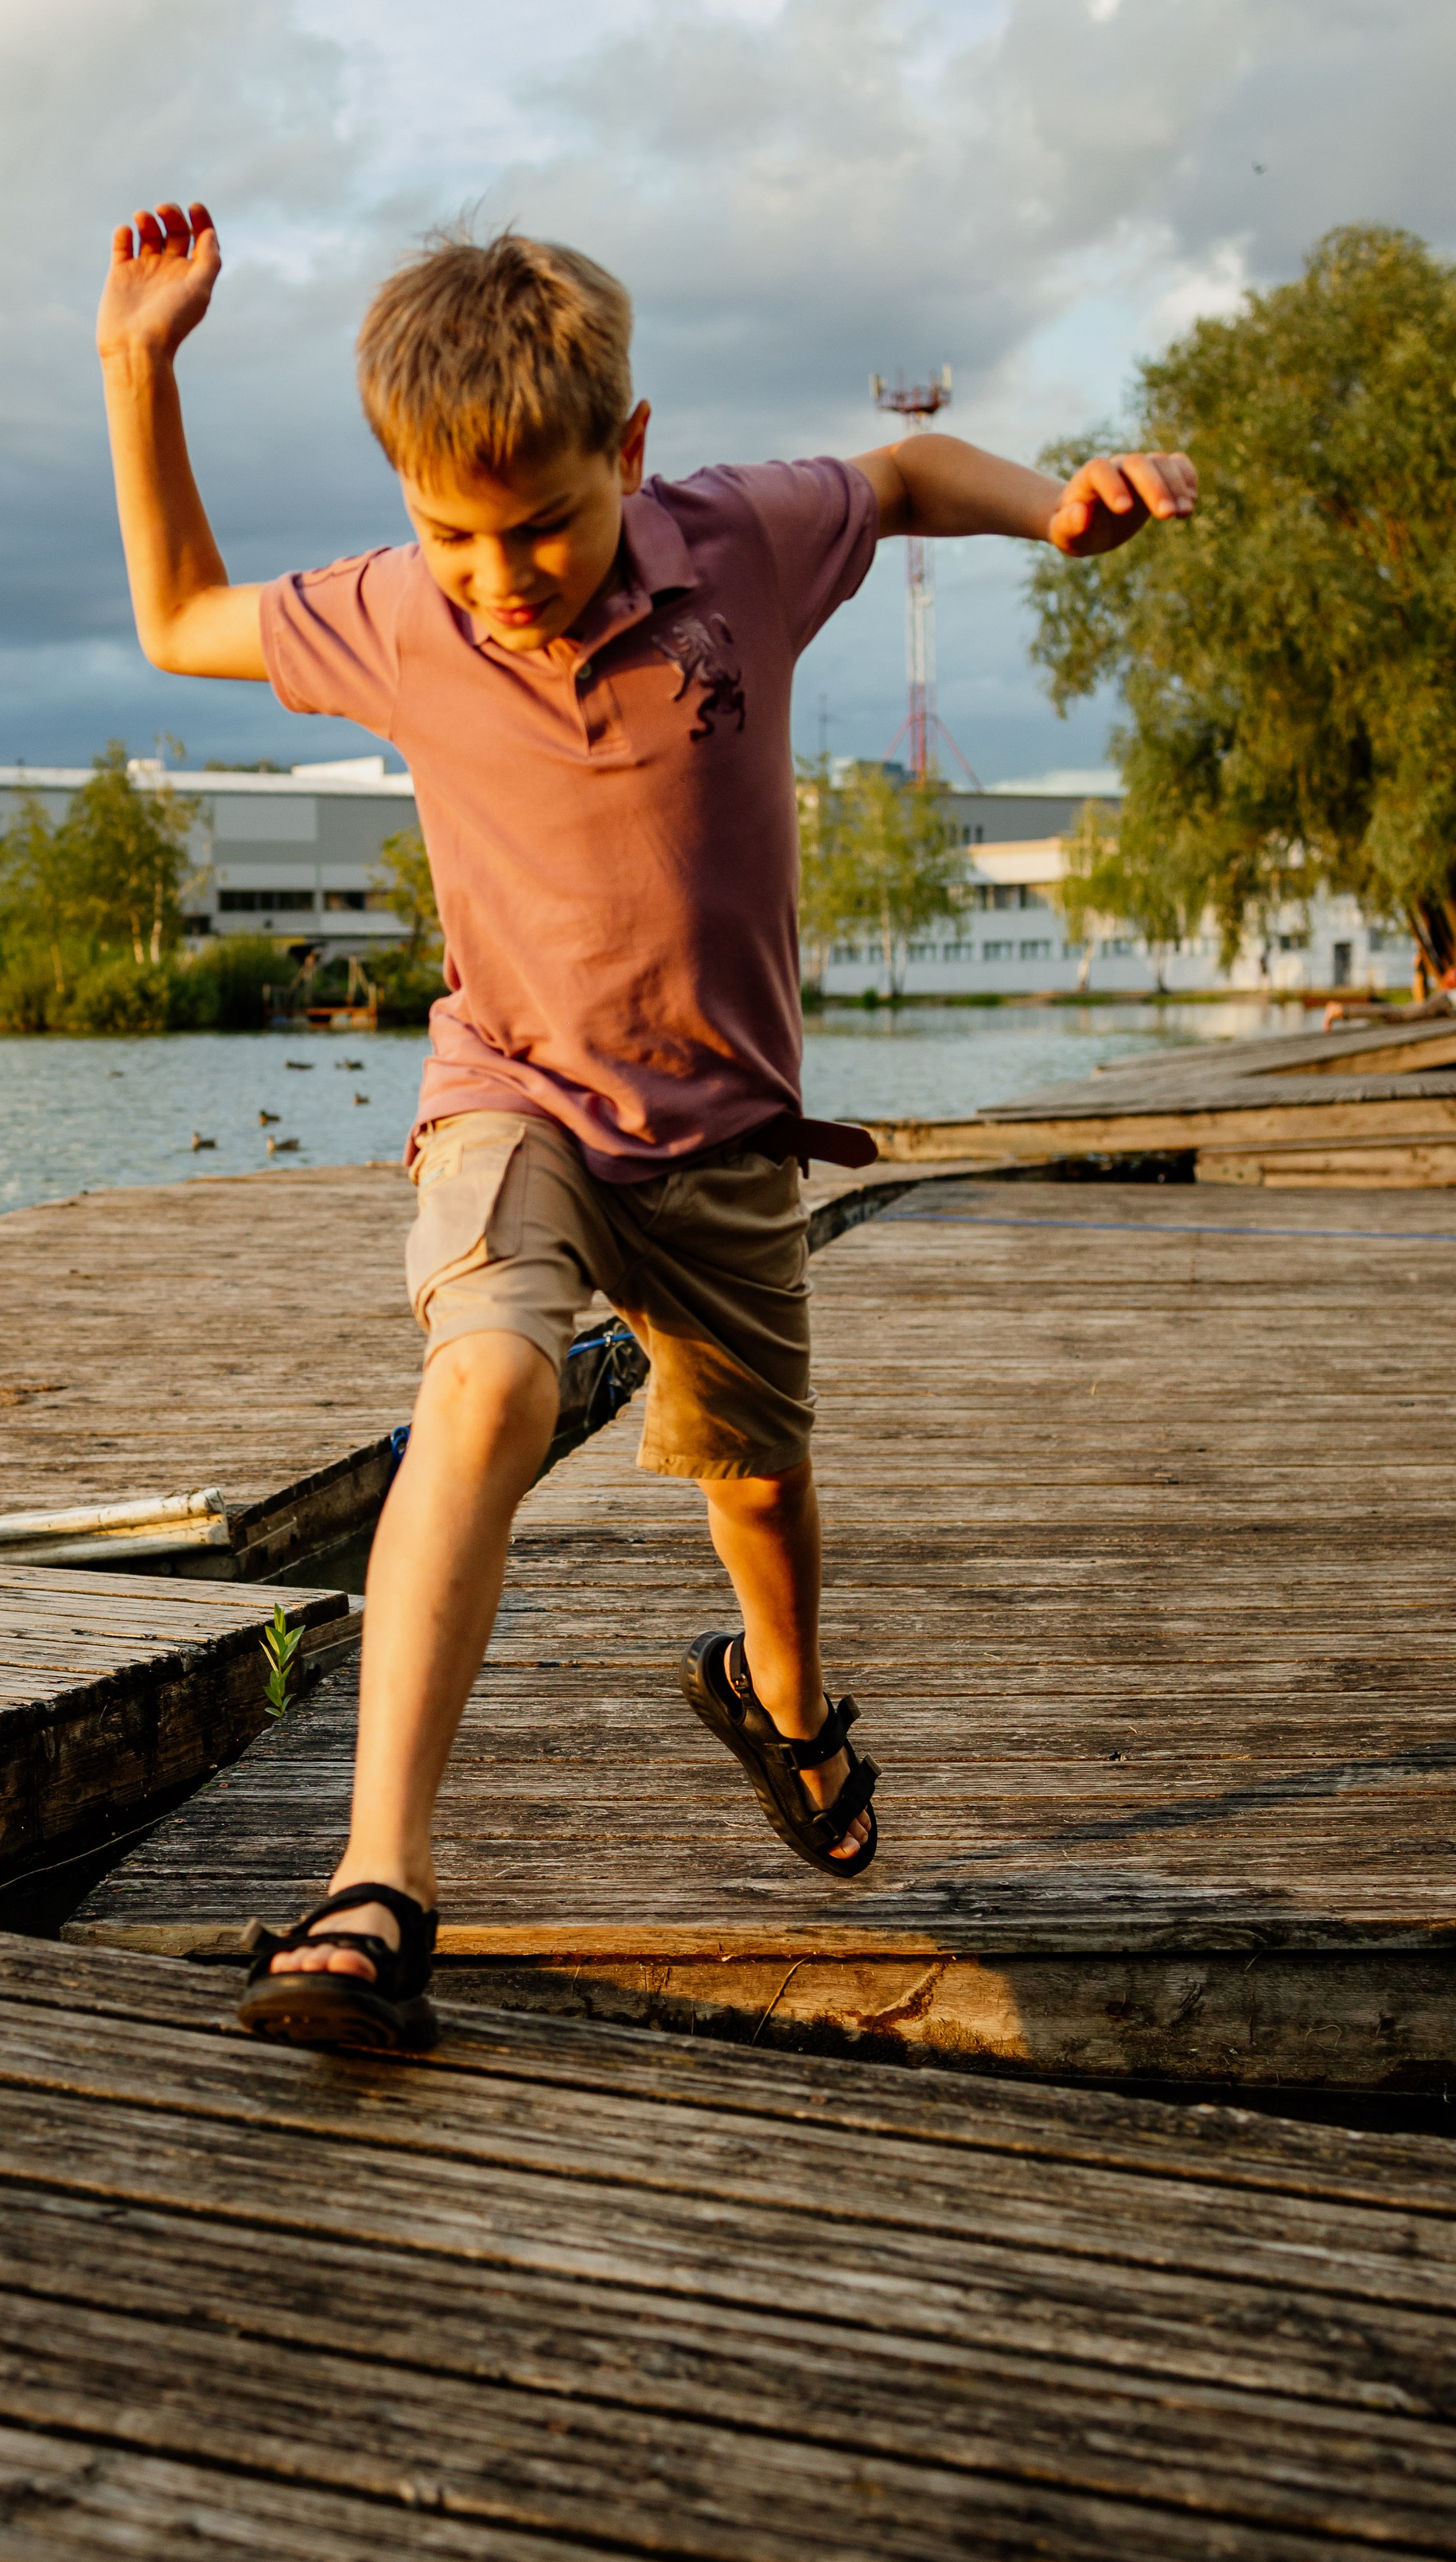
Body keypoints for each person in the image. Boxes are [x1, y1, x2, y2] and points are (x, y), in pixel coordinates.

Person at [97, 200, 1198, 2055]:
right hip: (509, 1096)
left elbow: (910, 470)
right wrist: (140, 366)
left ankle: (781, 1704)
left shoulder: (738, 542)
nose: (499, 572)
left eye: (538, 523)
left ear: (626, 449)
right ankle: (378, 1882)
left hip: (727, 1143)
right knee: (488, 1383)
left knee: (754, 1486)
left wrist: (1052, 509)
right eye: (453, 532)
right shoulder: (395, 612)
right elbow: (176, 616)